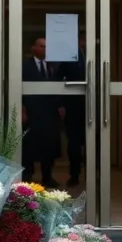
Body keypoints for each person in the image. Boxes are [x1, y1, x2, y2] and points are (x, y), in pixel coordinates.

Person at [21, 37, 60, 187]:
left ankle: (47, 176)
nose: (45, 49)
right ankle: (27, 176)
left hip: (49, 112)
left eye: (46, 47)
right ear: (33, 48)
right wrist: (22, 109)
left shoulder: (52, 66)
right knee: (29, 145)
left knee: (48, 145)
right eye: (42, 46)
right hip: (32, 111)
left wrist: (60, 106)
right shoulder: (25, 66)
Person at [59, 35, 87, 187]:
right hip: (73, 106)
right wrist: (61, 105)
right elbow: (59, 81)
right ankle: (74, 175)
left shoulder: (96, 56)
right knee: (74, 143)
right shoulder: (68, 57)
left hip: (91, 106)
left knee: (92, 141)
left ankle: (92, 174)